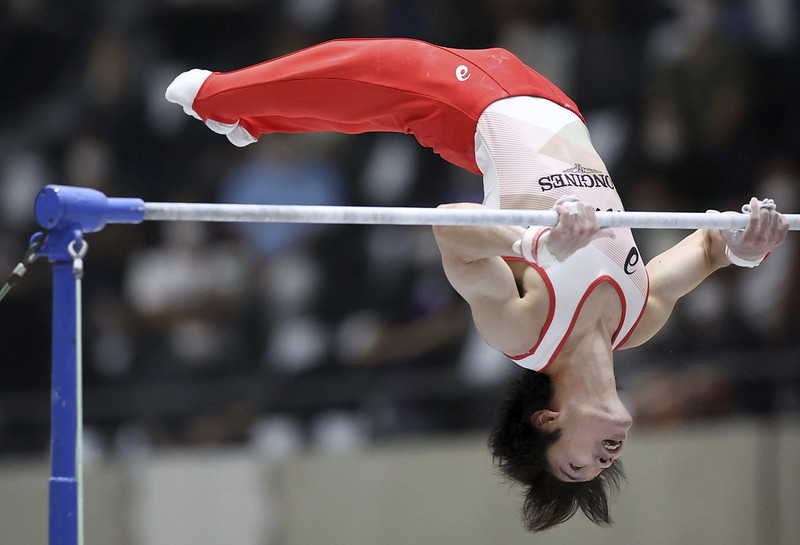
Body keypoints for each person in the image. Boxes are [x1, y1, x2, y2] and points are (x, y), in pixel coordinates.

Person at [164, 38, 789, 531]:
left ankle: (222, 99)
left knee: (371, 72)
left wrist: (533, 242)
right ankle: (252, 117)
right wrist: (745, 244)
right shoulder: (639, 318)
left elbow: (451, 227)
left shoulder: (525, 331)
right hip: (556, 108)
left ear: (548, 418)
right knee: (374, 89)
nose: (605, 460)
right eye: (605, 466)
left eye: (578, 465)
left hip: (488, 109)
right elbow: (709, 246)